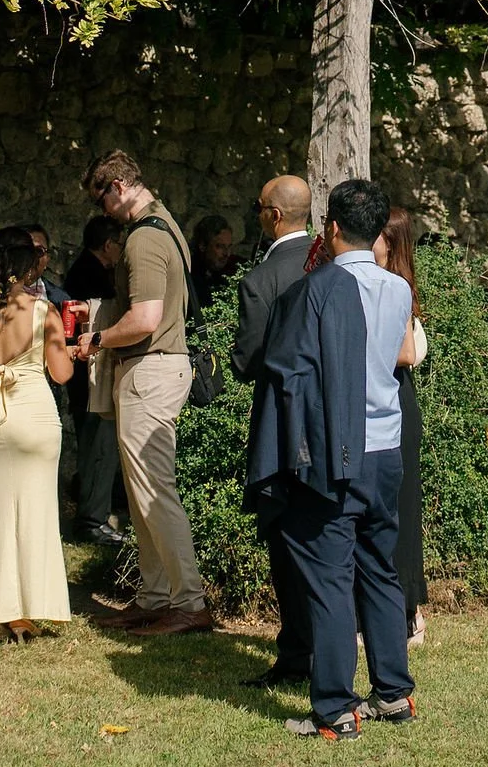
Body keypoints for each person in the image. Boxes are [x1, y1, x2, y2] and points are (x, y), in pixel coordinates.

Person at [247, 177, 416, 740]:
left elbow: (290, 376)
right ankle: (393, 693)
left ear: (333, 228)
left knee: (328, 577)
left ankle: (336, 709)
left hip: (334, 449)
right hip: (386, 445)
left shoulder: (316, 290)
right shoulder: (398, 289)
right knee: (379, 566)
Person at [84, 151, 209, 634]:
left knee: (156, 490)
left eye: (101, 201)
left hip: (151, 369)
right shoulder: (167, 226)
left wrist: (96, 338)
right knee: (142, 493)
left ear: (117, 186)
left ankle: (190, 602)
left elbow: (145, 319)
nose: (103, 214)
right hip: (158, 369)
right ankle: (156, 595)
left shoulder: (143, 239)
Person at [0, 228, 74, 637]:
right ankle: (27, 610)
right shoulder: (43, 310)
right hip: (33, 414)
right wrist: (77, 351)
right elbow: (61, 374)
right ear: (29, 264)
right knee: (35, 512)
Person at [231, 174, 316, 687]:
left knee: (285, 542)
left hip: (282, 426)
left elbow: (247, 361)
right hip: (335, 424)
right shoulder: (335, 266)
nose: (257, 214)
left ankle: (295, 654)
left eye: (259, 206)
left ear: (274, 216)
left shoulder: (261, 280)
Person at [376, 205, 430, 649]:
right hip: (379, 403)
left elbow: (407, 353)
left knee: (403, 510)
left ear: (389, 243)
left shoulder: (397, 289)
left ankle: (409, 611)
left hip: (396, 400)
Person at [63, 216, 126, 543]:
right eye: (119, 243)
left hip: (93, 377)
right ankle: (91, 520)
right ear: (107, 245)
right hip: (91, 379)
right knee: (97, 447)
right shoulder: (88, 274)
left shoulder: (86, 270)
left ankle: (95, 514)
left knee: (99, 447)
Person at [190, 216, 241, 301]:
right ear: (202, 246)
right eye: (220, 246)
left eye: (229, 247)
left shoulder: (230, 272)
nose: (227, 253)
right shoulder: (189, 274)